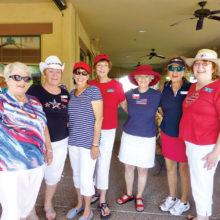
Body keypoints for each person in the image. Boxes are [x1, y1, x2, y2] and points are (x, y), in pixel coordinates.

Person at [0, 62, 53, 220]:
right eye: (17, 77)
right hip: (10, 168)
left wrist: (49, 149)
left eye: (26, 78)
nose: (22, 82)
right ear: (7, 79)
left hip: (36, 165)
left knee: (26, 208)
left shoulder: (34, 101)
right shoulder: (2, 102)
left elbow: (43, 126)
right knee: (12, 212)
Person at [179, 49, 220, 220]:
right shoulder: (194, 87)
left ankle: (202, 217)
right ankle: (203, 213)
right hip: (192, 142)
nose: (200, 67)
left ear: (213, 68)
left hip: (206, 145)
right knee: (199, 179)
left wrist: (216, 152)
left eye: (205, 64)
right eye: (197, 64)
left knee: (201, 181)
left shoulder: (217, 88)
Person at [27, 56, 69, 220]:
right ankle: (30, 208)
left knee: (54, 174)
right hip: (37, 142)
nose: (55, 75)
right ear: (44, 73)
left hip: (61, 141)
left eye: (58, 72)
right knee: (35, 175)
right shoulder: (34, 91)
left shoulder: (65, 94)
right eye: (51, 71)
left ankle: (47, 203)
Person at [117, 65, 161, 212]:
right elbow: (126, 109)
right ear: (135, 79)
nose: (143, 79)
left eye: (146, 76)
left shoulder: (156, 96)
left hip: (147, 138)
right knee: (128, 166)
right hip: (129, 135)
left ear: (151, 79)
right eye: (140, 76)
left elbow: (164, 112)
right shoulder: (129, 94)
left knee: (142, 169)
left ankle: (139, 196)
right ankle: (129, 193)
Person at [88, 54, 127, 218]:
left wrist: (137, 119)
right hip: (90, 129)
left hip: (109, 129)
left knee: (103, 163)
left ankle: (103, 199)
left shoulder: (116, 85)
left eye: (105, 65)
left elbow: (124, 103)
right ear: (95, 68)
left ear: (109, 67)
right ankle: (93, 192)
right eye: (99, 65)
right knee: (90, 162)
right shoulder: (90, 84)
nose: (102, 68)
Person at [66, 62, 103, 220]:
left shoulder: (93, 91)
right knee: (76, 175)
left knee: (86, 177)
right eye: (77, 72)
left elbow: (99, 118)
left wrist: (95, 144)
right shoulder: (72, 93)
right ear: (73, 75)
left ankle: (88, 210)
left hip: (88, 142)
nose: (80, 75)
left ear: (89, 76)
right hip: (73, 140)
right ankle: (79, 204)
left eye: (84, 73)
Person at [159, 57, 191, 216]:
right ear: (168, 70)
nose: (175, 72)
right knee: (170, 168)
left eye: (179, 69)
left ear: (184, 71)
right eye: (172, 68)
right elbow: (161, 107)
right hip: (167, 132)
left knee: (183, 169)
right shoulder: (164, 87)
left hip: (184, 135)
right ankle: (172, 197)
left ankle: (184, 201)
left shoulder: (191, 87)